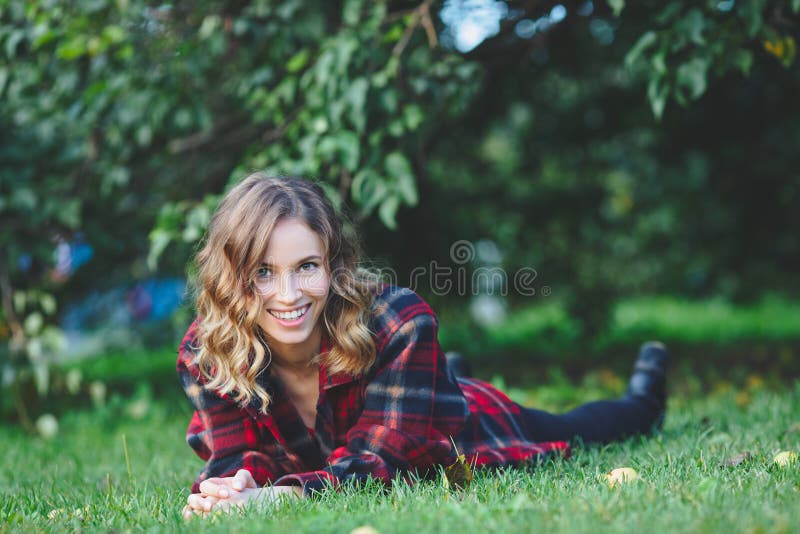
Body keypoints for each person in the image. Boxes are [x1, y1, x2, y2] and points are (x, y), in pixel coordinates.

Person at [179, 174, 668, 518]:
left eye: (307, 266)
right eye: (263, 272)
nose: (288, 295)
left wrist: (280, 498)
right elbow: (234, 455)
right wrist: (237, 484)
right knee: (437, 377)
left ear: (334, 264)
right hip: (399, 406)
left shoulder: (398, 322)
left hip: (446, 431)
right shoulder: (207, 351)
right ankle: (445, 371)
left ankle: (644, 396)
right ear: (232, 274)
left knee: (575, 428)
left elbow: (377, 465)